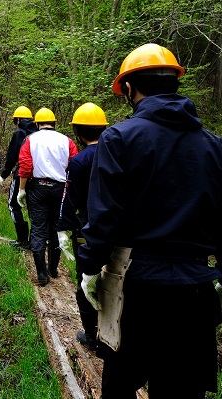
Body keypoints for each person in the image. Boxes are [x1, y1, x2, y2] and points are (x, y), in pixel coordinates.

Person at [78, 43, 222, 399]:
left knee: (120, 386)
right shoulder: (214, 146)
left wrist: (89, 266)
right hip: (196, 290)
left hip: (136, 288)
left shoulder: (119, 138)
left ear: (128, 88)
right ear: (175, 83)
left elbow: (104, 217)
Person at [55, 102, 108, 351]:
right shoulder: (118, 154)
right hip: (119, 232)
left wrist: (63, 228)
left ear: (77, 131)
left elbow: (70, 198)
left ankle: (91, 334)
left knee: (85, 281)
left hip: (87, 231)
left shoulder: (79, 162)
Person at [17, 107, 78, 286]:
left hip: (37, 187)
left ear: (36, 123)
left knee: (38, 228)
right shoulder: (67, 141)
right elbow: (74, 165)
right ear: (54, 123)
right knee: (55, 228)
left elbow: (26, 166)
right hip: (60, 188)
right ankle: (52, 268)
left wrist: (21, 190)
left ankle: (42, 274)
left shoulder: (30, 140)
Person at [0, 106, 37, 249]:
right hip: (38, 176)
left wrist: (4, 173)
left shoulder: (19, 133)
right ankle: (35, 241)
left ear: (19, 120)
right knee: (34, 208)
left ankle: (22, 240)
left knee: (13, 205)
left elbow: (12, 156)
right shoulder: (38, 132)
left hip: (22, 175)